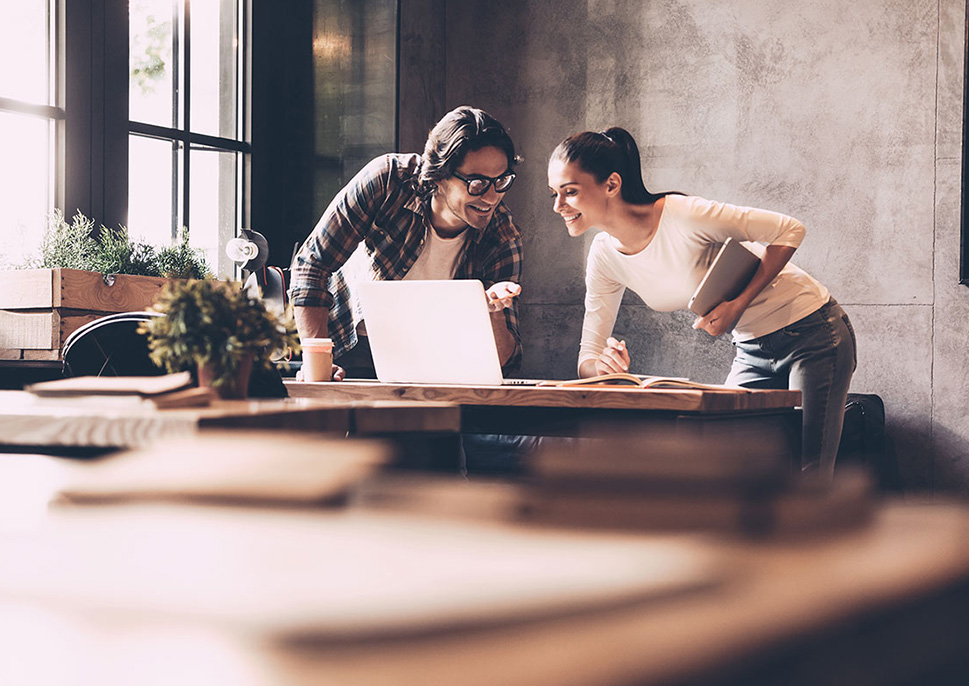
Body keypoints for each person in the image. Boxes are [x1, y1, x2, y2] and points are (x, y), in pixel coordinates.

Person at [547, 127, 857, 477]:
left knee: (809, 475)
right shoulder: (604, 256)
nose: (558, 206)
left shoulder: (682, 214)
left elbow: (789, 229)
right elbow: (587, 357)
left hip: (813, 332)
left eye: (569, 192)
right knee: (724, 466)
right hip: (752, 349)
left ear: (611, 184)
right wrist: (602, 369)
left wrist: (738, 304)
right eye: (554, 194)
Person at [289, 106, 524, 380]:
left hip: (440, 360)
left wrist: (494, 313)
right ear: (440, 175)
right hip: (353, 344)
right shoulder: (388, 180)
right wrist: (317, 359)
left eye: (501, 181)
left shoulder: (502, 235)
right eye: (477, 183)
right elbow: (312, 264)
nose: (492, 197)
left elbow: (505, 360)